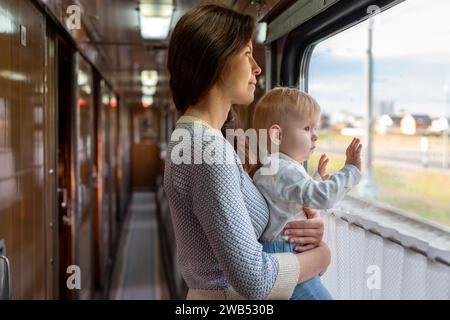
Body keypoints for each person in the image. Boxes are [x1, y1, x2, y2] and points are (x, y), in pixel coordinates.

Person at [164, 4, 331, 300]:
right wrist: (320, 258)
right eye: (246, 53)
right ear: (216, 57)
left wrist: (293, 230)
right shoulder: (207, 150)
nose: (257, 67)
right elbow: (255, 280)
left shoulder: (197, 138)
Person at [251, 87, 363, 299]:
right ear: (277, 135)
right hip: (284, 252)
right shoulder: (282, 169)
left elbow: (290, 202)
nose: (315, 136)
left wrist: (317, 179)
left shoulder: (272, 168)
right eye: (307, 128)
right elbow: (322, 197)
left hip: (280, 251)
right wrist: (351, 170)